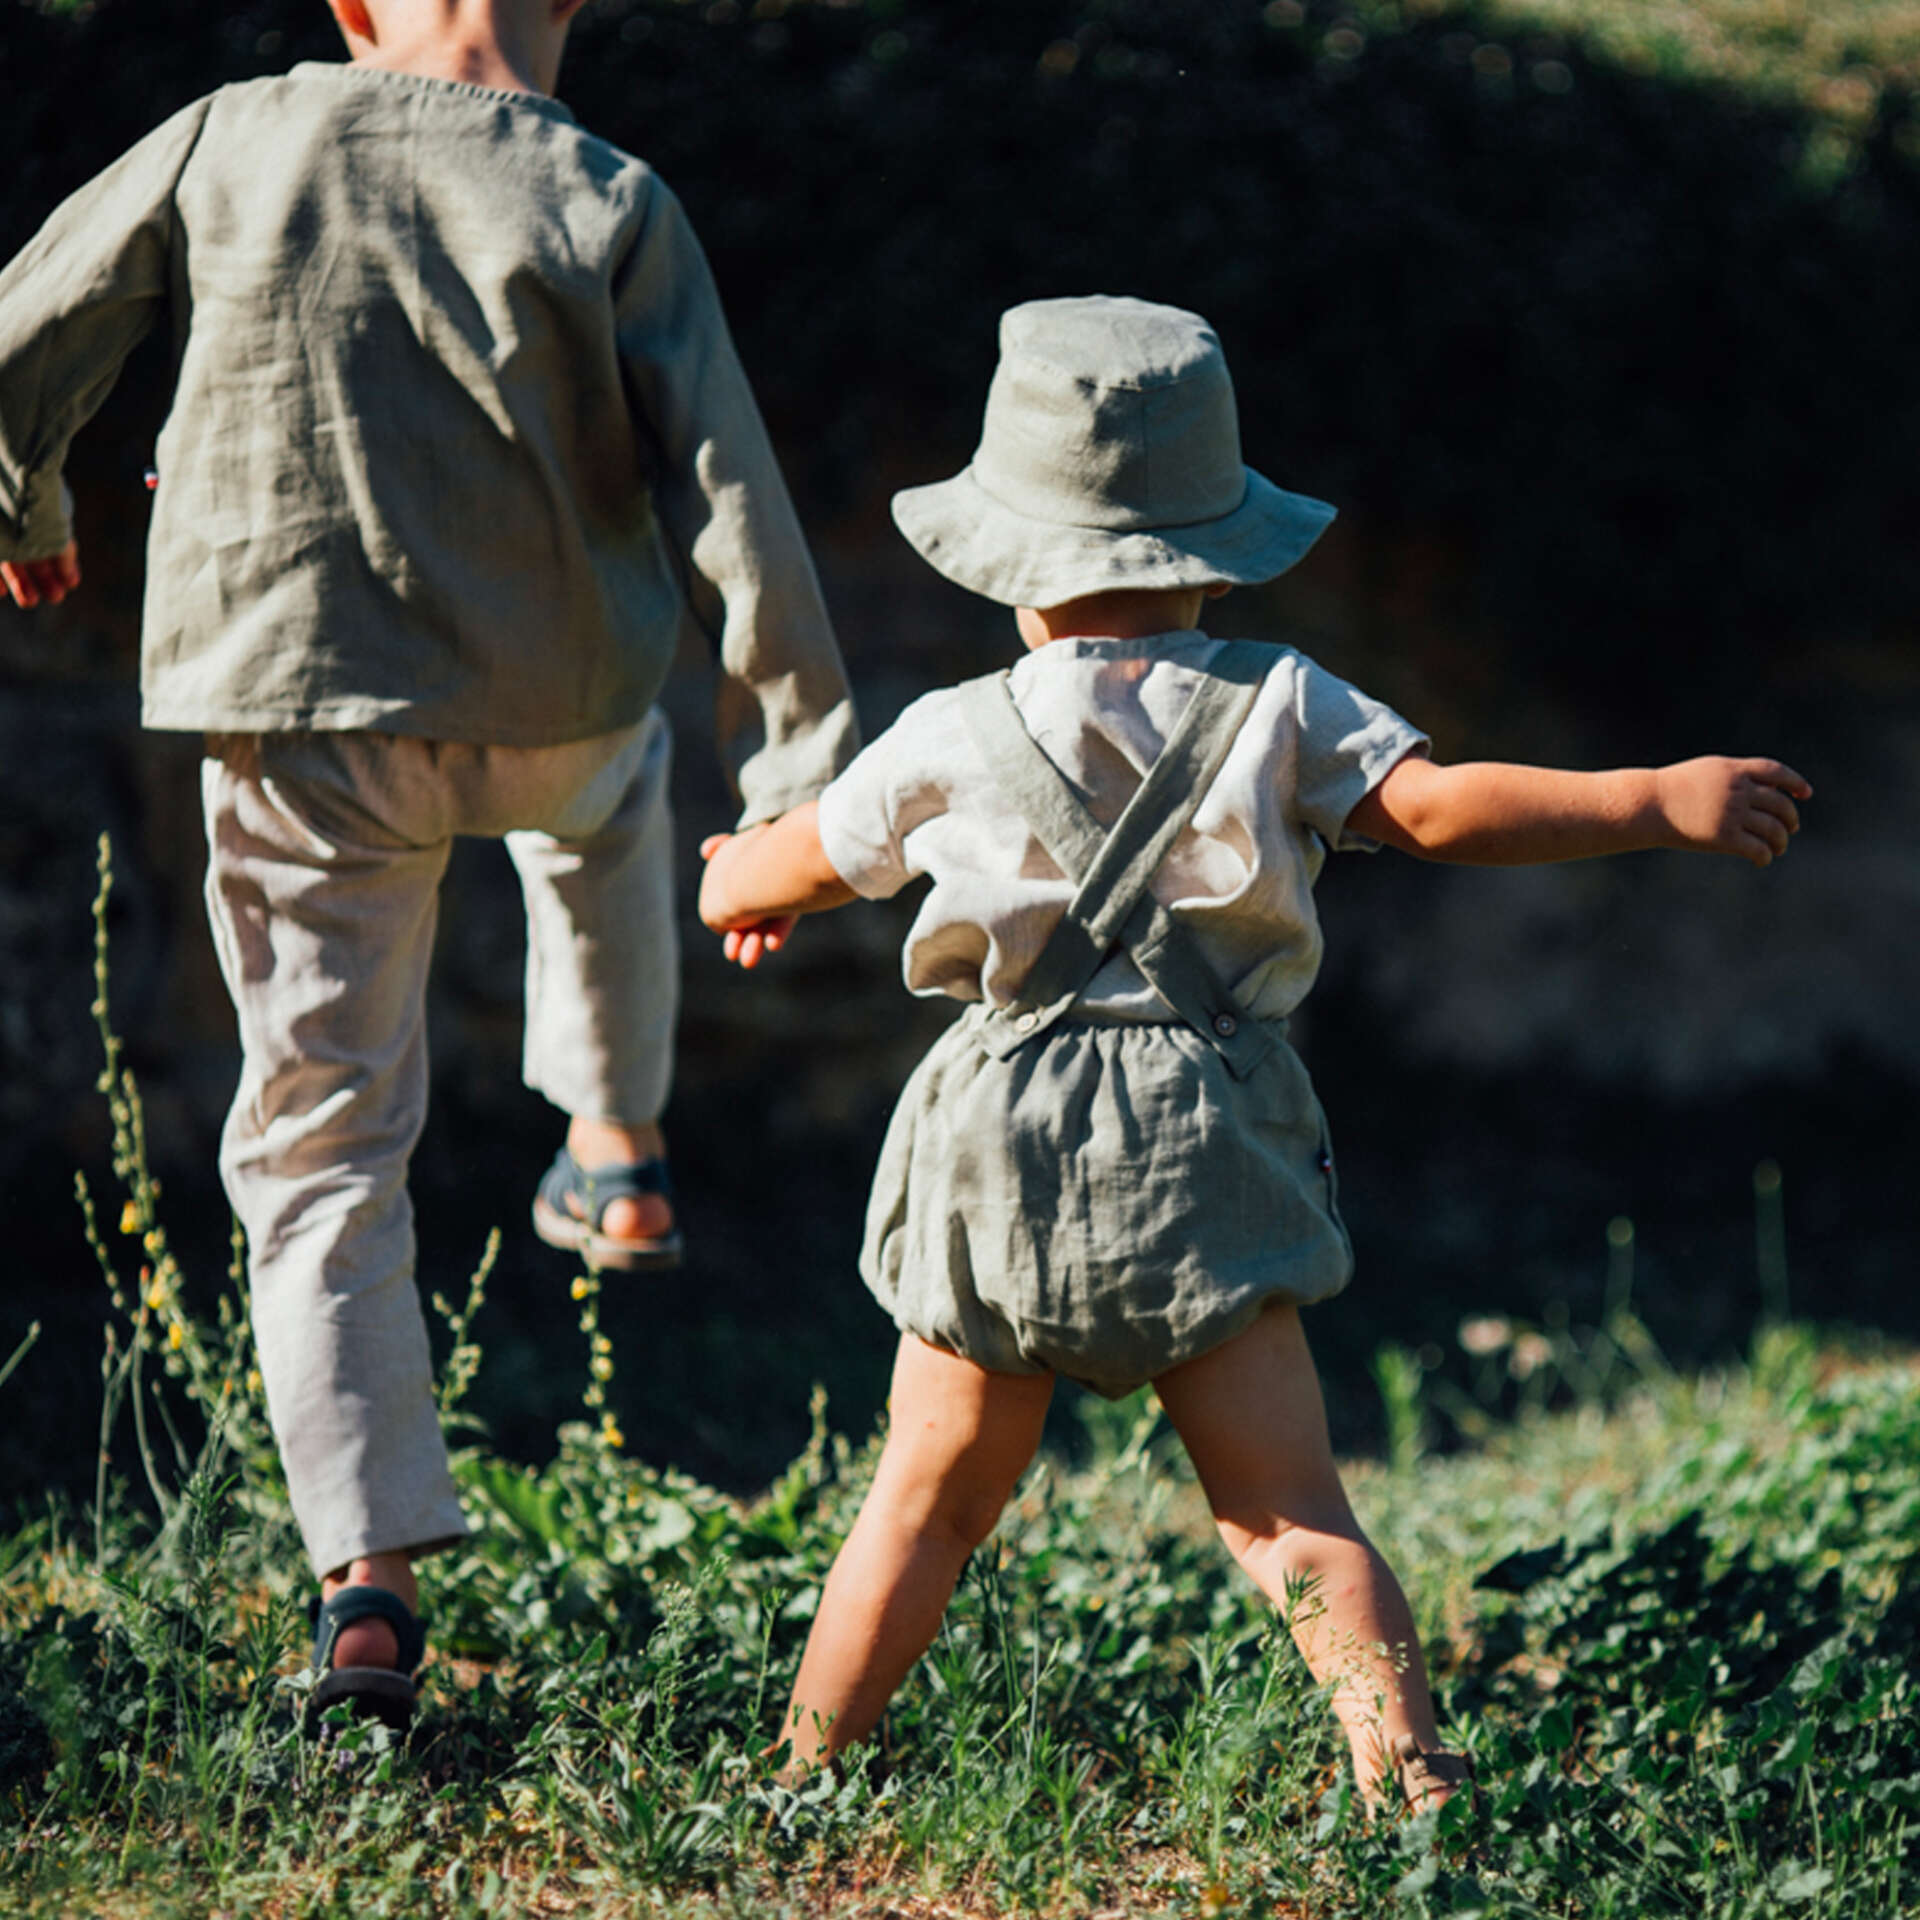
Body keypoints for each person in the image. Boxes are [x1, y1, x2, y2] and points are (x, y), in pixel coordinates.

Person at [696, 295, 1809, 1809]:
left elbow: (783, 868)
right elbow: (1440, 809)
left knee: (924, 1506)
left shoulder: (946, 732)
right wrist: (1647, 798)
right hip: (1199, 1132)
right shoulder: (1285, 701)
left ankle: (797, 1775)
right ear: (1217, 546)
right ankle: (1407, 1777)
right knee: (1289, 1511)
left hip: (998, 1143)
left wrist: (728, 882)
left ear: (1010, 567)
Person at [0, 0, 856, 1727]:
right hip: (558, 695)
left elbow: (28, 323)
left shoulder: (239, 129)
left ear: (347, 12)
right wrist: (793, 783)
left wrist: (29, 501)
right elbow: (732, 499)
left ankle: (368, 1594)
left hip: (305, 703)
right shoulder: (608, 191)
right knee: (611, 799)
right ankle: (614, 1143)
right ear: (574, 12)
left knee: (317, 1140)